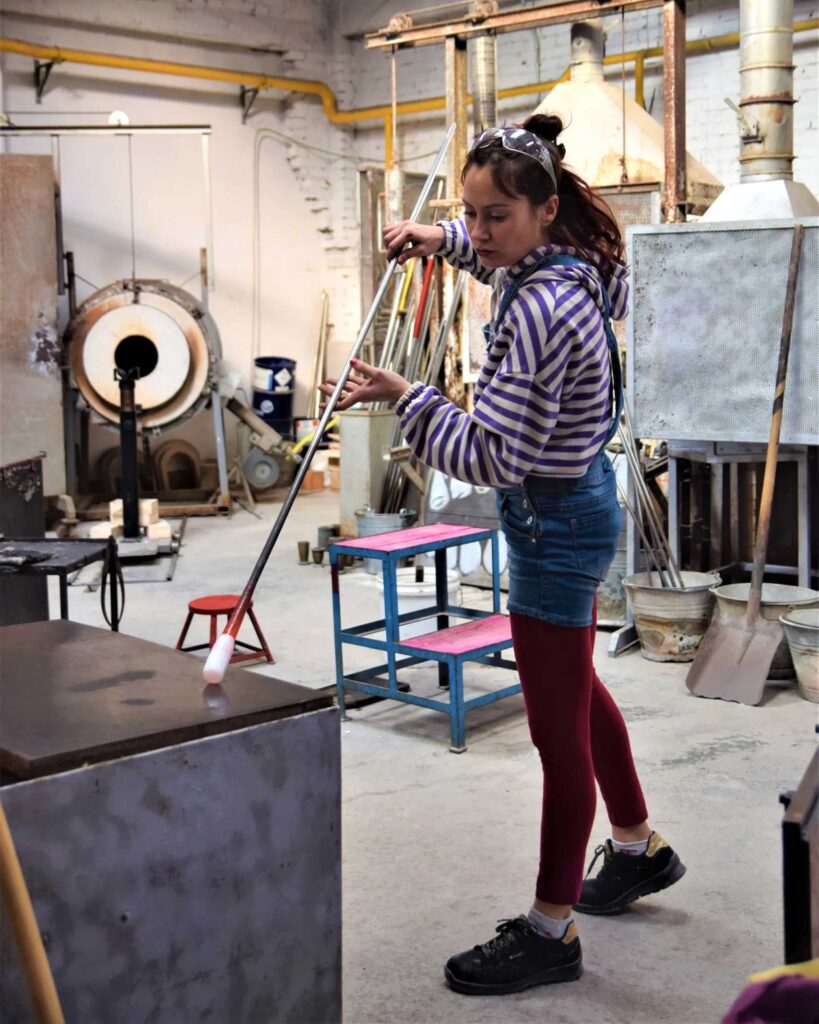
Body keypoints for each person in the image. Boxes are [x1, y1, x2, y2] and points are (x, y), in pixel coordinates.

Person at [319, 114, 685, 997]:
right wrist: (432, 236)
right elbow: (487, 239)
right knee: (579, 688)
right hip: (571, 507)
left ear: (544, 210)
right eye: (469, 215)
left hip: (551, 522)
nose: (479, 235)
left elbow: (492, 457)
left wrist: (409, 397)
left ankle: (549, 929)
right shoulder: (573, 261)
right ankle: (637, 847)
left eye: (494, 219)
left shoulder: (539, 313)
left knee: (555, 737)